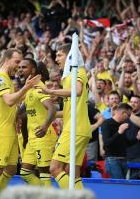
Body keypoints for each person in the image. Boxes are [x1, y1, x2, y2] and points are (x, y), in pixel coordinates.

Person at [0, 48, 40, 199]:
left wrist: (16, 115)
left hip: (9, 130)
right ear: (6, 60)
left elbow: (12, 103)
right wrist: (26, 87)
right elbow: (9, 101)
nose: (18, 65)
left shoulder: (8, 79)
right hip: (0, 131)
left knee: (10, 169)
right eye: (16, 62)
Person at [36, 43, 91, 189]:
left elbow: (77, 91)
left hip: (75, 129)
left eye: (60, 55)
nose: (57, 58)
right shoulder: (67, 77)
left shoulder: (77, 71)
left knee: (54, 168)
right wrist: (48, 115)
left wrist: (51, 92)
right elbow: (68, 110)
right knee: (71, 172)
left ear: (70, 57)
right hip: (78, 127)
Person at [17, 58, 56, 186]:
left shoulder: (39, 87)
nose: (20, 70)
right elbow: (23, 109)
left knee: (44, 173)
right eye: (19, 68)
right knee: (25, 172)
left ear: (33, 70)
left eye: (24, 68)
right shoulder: (29, 88)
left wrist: (45, 126)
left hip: (43, 136)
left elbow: (52, 108)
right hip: (32, 138)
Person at [101, 103, 140, 179]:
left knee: (122, 184)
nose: (128, 118)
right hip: (112, 160)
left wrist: (137, 138)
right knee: (118, 185)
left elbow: (125, 144)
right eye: (128, 115)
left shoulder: (123, 124)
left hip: (123, 159)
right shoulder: (107, 123)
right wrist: (119, 132)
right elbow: (107, 143)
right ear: (123, 113)